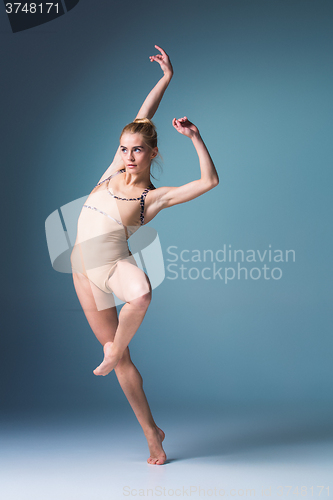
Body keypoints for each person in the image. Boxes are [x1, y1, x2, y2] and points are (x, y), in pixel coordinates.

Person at [70, 45, 219, 465]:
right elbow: (144, 116)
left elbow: (209, 181)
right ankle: (152, 433)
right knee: (122, 365)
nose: (128, 156)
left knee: (141, 294)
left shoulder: (150, 199)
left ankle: (115, 348)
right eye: (123, 148)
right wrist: (166, 79)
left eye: (136, 150)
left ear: (152, 153)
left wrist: (195, 137)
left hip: (112, 268)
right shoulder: (112, 171)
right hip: (83, 274)